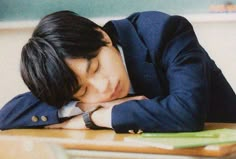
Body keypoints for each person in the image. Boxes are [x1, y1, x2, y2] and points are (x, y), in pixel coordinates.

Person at [0, 10, 236, 133]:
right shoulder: (66, 79)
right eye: (83, 90)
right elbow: (7, 117)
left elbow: (187, 112)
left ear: (103, 37)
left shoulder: (164, 31)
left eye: (96, 68)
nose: (102, 87)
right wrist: (85, 106)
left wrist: (95, 118)